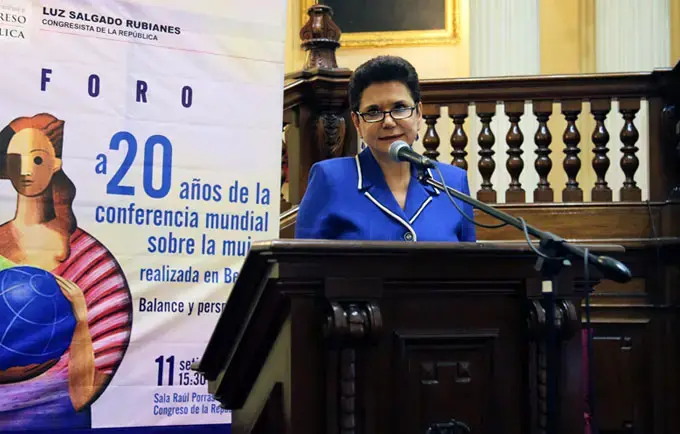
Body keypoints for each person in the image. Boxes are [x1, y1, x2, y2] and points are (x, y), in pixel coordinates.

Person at [0, 113, 132, 429]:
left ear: (55, 164)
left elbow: (81, 395)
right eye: (15, 159)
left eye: (35, 158)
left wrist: (82, 321)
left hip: (58, 420)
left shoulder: (93, 265)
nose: (26, 171)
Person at [295, 55, 476, 242]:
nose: (388, 122)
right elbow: (304, 266)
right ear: (357, 122)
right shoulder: (330, 178)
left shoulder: (453, 182)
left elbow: (468, 267)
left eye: (400, 108)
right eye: (373, 112)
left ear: (418, 113)